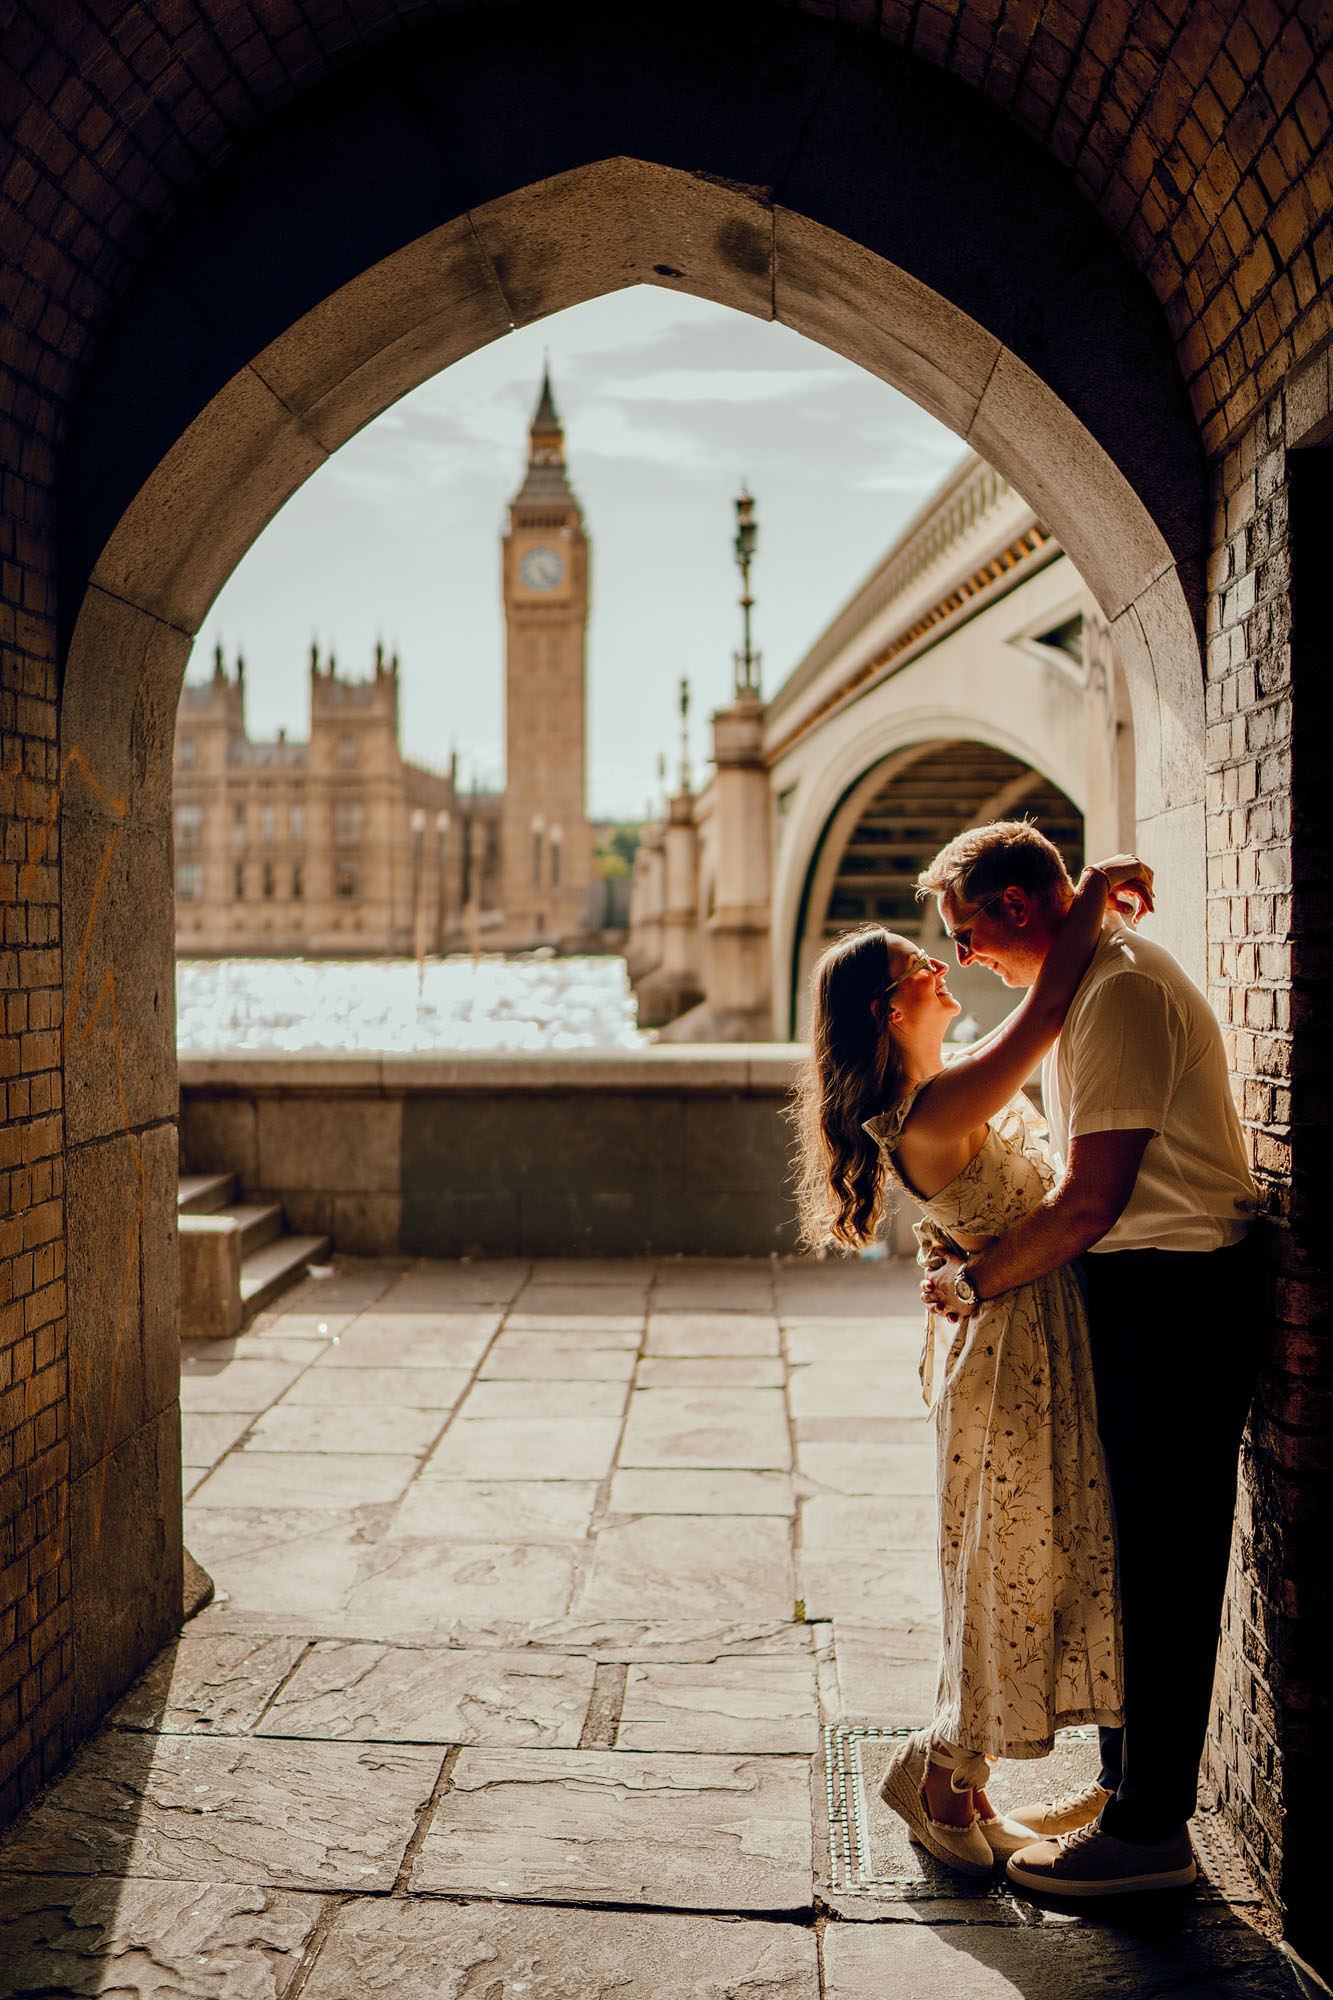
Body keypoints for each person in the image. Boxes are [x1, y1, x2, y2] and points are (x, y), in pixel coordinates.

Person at [916, 819, 1261, 1898]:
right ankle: (1122, 1793)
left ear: (1018, 908)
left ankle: (1151, 1830)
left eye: (967, 932)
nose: (965, 959)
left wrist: (974, 1282)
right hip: (1143, 1287)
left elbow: (1088, 1201)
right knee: (1128, 1551)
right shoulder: (1093, 976)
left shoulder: (1114, 992)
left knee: (1162, 1563)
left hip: (1173, 1292)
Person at [793, 852, 1150, 1877]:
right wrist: (1089, 894)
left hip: (1022, 1341)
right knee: (1009, 1570)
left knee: (1020, 1565)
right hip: (1008, 1362)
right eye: (921, 962)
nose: (945, 969)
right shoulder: (937, 1110)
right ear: (885, 1004)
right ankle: (943, 1779)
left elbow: (1028, 1026)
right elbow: (1043, 1013)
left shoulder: (945, 1091)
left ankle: (962, 1780)